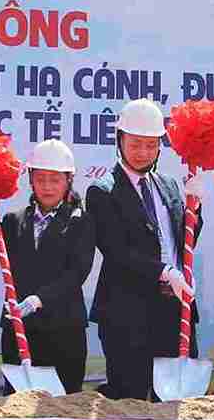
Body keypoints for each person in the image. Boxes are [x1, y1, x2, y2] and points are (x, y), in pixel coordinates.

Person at [86, 98, 205, 400]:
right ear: (120, 140)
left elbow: (184, 241)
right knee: (132, 402)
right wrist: (165, 272)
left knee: (177, 404)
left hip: (175, 311)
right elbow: (116, 250)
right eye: (136, 144)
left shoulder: (168, 185)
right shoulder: (102, 191)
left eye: (151, 145)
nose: (143, 153)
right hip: (128, 316)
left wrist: (196, 207)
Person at [0, 138, 97, 394]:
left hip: (64, 330)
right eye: (40, 179)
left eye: (55, 179)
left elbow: (77, 273)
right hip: (18, 330)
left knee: (64, 406)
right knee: (16, 406)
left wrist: (39, 299)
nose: (47, 187)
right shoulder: (13, 220)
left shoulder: (81, 221)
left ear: (68, 181)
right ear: (30, 179)